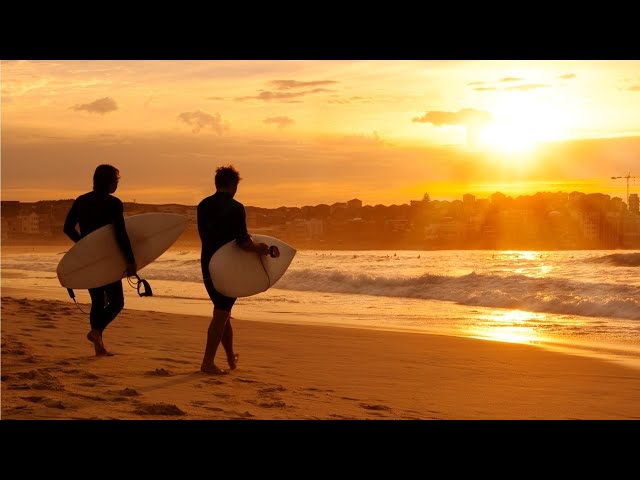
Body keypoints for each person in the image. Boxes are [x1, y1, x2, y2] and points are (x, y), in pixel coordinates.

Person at [198, 164, 279, 375]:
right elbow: (243, 242)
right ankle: (207, 362)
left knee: (223, 311)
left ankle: (230, 358)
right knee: (221, 313)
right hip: (228, 268)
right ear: (233, 184)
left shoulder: (203, 205)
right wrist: (259, 248)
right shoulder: (235, 207)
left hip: (207, 263)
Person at [63, 164, 137, 356]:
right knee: (117, 302)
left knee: (97, 300)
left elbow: (67, 228)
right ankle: (96, 332)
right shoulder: (113, 203)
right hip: (107, 258)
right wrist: (130, 260)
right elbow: (120, 234)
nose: (117, 185)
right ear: (110, 182)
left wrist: (83, 244)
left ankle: (99, 346)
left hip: (89, 257)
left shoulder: (82, 201)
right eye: (116, 181)